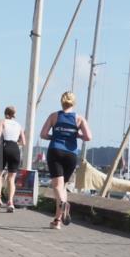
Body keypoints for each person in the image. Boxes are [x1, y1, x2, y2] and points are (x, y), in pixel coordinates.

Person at [39, 92, 92, 230]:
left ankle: (63, 204)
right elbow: (88, 137)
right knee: (63, 188)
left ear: (61, 102)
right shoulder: (79, 119)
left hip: (55, 150)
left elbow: (43, 134)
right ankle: (57, 221)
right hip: (71, 154)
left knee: (57, 186)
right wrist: (77, 135)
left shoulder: (54, 116)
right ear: (73, 103)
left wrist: (54, 136)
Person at [0, 106, 25, 212]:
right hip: (15, 149)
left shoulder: (2, 121)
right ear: (13, 115)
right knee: (11, 179)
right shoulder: (18, 125)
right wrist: (15, 144)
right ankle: (10, 202)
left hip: (4, 147)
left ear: (5, 114)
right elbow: (23, 142)